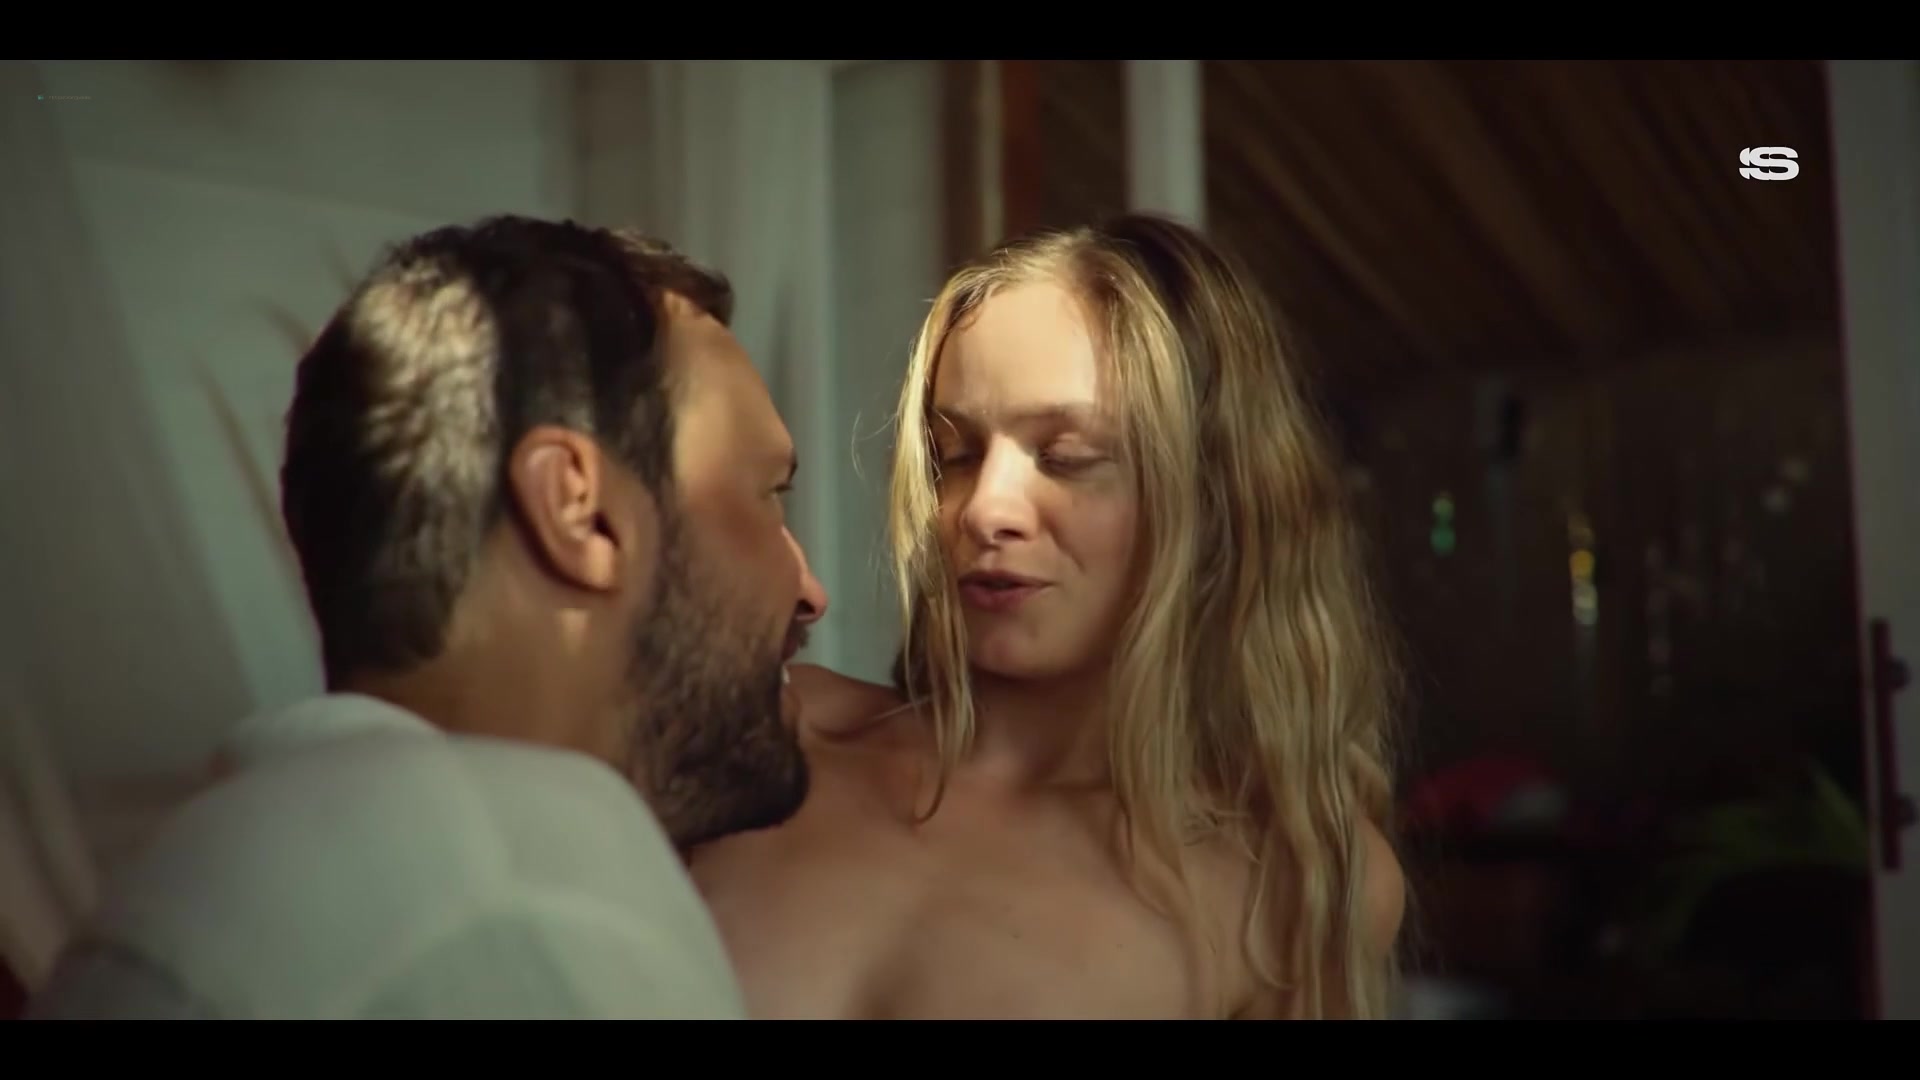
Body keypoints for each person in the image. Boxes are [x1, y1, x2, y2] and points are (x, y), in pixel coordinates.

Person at [28, 214, 828, 1020]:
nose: (809, 592)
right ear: (580, 512)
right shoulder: (521, 895)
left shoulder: (208, 879)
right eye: (767, 495)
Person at [689, 213, 1406, 1020]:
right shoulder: (769, 740)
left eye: (1067, 458)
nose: (984, 509)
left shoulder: (1291, 881)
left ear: (1216, 497)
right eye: (956, 454)